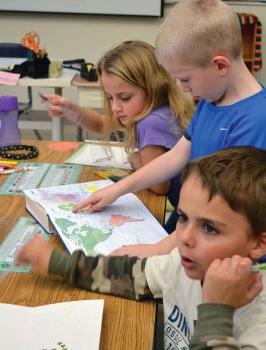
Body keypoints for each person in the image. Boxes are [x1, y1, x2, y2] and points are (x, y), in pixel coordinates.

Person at [18, 146, 266, 349]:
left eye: (210, 229)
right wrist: (58, 263)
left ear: (259, 243)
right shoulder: (182, 264)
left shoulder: (259, 325)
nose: (185, 238)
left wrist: (216, 311)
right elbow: (129, 275)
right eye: (182, 218)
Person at [72, 0, 266, 254]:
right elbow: (177, 156)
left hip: (221, 252)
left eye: (185, 79)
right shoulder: (211, 100)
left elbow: (224, 215)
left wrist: (153, 251)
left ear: (220, 65)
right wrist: (117, 190)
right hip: (190, 231)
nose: (184, 89)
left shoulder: (255, 120)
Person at [44, 40, 193, 203]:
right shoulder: (163, 107)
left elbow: (160, 187)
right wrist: (71, 109)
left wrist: (138, 161)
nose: (115, 107)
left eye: (124, 98)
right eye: (110, 97)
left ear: (152, 87)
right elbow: (102, 124)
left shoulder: (151, 123)